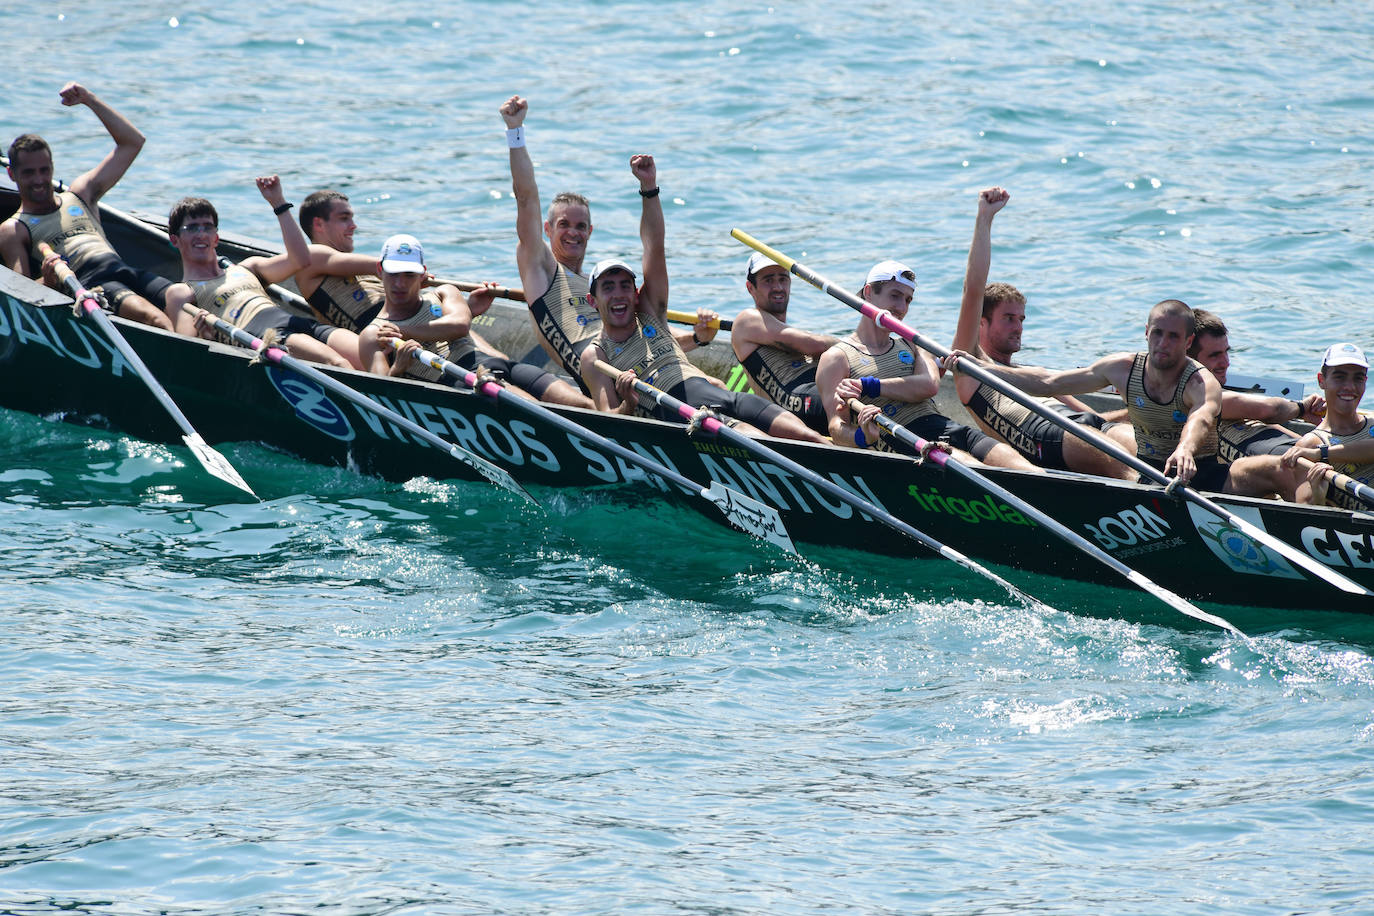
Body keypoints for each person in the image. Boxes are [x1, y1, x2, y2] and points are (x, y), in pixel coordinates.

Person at [578, 156, 826, 443]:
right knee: (763, 441)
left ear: (636, 294)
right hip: (687, 413)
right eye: (608, 287)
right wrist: (629, 402)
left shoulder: (649, 312)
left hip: (722, 395)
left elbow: (654, 248)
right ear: (593, 300)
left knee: (810, 438)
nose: (619, 294)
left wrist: (649, 188)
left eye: (625, 286)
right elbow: (609, 422)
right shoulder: (596, 356)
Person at [946, 299, 1290, 496]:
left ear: (1187, 343)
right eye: (1157, 334)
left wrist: (1185, 449)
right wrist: (980, 368)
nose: (1163, 344)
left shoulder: (1199, 381)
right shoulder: (1123, 368)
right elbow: (1050, 381)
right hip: (1152, 475)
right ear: (1146, 333)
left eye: (1173, 337)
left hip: (1205, 473)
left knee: (1281, 469)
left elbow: (1201, 417)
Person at [499, 96, 706, 392]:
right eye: (564, 225)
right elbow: (526, 198)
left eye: (581, 226)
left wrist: (698, 338)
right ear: (546, 229)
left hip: (640, 363)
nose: (574, 233)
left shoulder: (602, 286)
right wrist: (515, 132)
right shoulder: (541, 269)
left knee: (711, 383)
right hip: (605, 378)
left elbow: (651, 336)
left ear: (591, 231)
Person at [948, 187, 1134, 478]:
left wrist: (1131, 415)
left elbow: (1093, 417)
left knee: (1145, 448)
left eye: (1021, 318)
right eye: (1008, 318)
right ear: (981, 323)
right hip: (1045, 433)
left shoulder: (1032, 376)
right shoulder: (969, 366)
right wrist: (985, 219)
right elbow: (972, 290)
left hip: (1082, 424)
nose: (1018, 326)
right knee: (1132, 472)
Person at [814, 260, 1035, 467]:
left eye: (908, 300)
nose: (901, 308)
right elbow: (836, 427)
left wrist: (869, 386)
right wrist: (863, 436)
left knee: (1022, 468)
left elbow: (928, 385)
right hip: (905, 438)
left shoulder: (913, 342)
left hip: (945, 425)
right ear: (869, 293)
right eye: (895, 296)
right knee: (976, 469)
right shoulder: (837, 358)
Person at [1, 83, 172, 330]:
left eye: (44, 170)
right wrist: (48, 281)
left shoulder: (81, 193)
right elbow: (22, 295)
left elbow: (132, 143)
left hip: (124, 269)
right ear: (11, 174)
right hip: (91, 284)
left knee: (182, 297)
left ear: (52, 166)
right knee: (156, 320)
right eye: (29, 173)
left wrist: (89, 100)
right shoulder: (14, 229)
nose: (39, 180)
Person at [357, 233, 583, 405]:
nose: (400, 284)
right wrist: (398, 368)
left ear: (423, 274)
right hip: (465, 379)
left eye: (409, 275)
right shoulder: (373, 334)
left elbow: (460, 325)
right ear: (379, 270)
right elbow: (382, 396)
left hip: (496, 363)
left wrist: (403, 331)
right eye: (394, 274)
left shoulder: (443, 292)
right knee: (542, 412)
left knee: (583, 405)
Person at [165, 176, 359, 369]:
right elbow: (186, 347)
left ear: (216, 238)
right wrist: (204, 336)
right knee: (337, 363)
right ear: (175, 240)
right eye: (191, 228)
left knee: (364, 351)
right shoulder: (181, 291)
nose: (201, 234)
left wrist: (278, 203)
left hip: (298, 322)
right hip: (265, 335)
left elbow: (301, 259)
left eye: (207, 227)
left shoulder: (248, 267)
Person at [1188, 308, 1325, 463]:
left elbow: (1264, 418)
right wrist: (1301, 408)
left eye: (1226, 352)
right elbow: (1268, 410)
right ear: (1189, 360)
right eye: (1214, 355)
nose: (1226, 363)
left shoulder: (1216, 390)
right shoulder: (1195, 395)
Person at [729, 251, 837, 434]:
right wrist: (853, 346)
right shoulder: (747, 320)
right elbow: (816, 345)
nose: (778, 287)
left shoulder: (789, 333)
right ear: (750, 288)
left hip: (815, 389)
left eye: (783, 279)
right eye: (768, 280)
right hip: (795, 401)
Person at [290, 189, 384, 367]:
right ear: (319, 224)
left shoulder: (356, 267)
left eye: (351, 218)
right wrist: (404, 271)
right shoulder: (311, 257)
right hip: (380, 343)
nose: (353, 225)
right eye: (344, 218)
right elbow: (380, 265)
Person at [1280, 343, 1374, 510]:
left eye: (1358, 378)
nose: (1350, 387)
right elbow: (1304, 515)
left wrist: (1321, 454)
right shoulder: (1309, 444)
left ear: (1365, 382)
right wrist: (1317, 496)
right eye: (1340, 377)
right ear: (1321, 380)